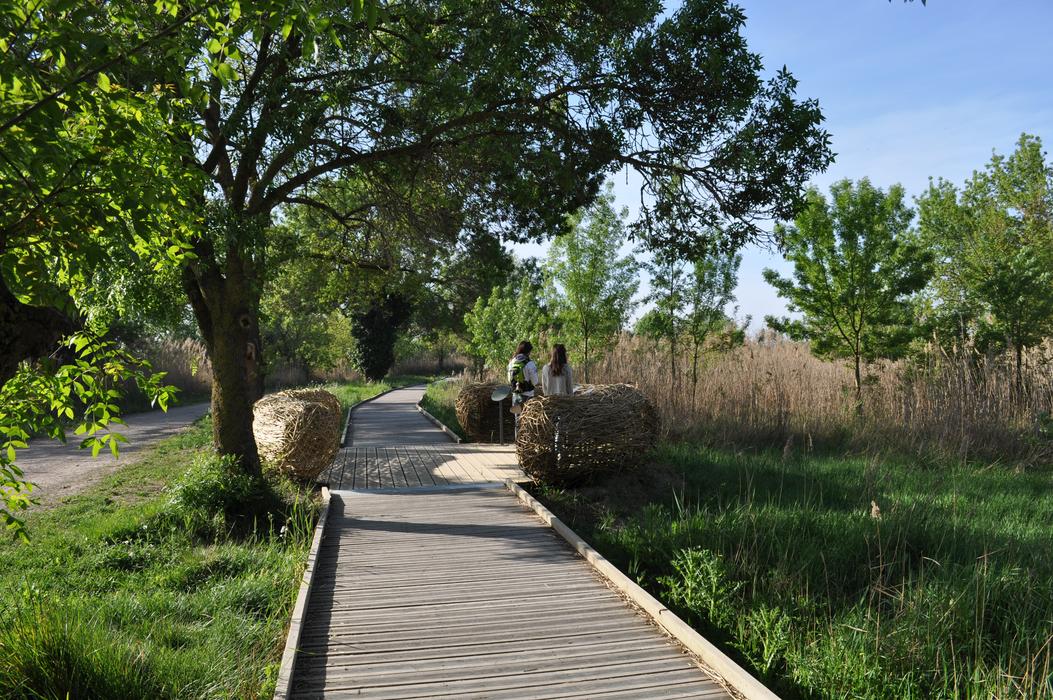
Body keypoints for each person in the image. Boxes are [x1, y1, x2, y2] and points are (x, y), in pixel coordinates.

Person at [507, 340, 539, 414]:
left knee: (518, 420)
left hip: (516, 395)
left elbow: (509, 380)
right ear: (528, 351)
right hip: (528, 395)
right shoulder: (530, 363)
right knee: (527, 420)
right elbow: (535, 381)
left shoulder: (512, 362)